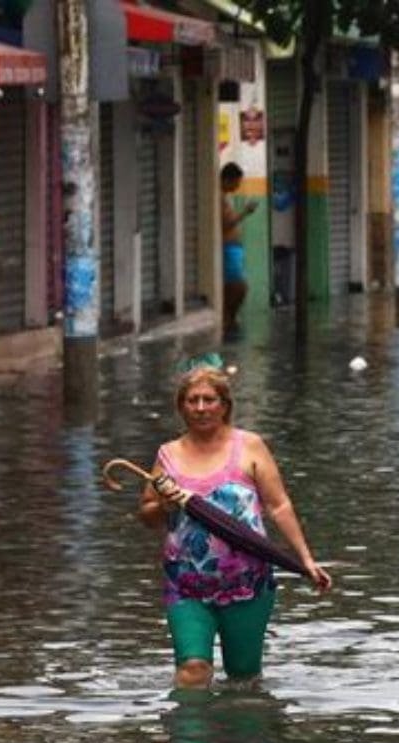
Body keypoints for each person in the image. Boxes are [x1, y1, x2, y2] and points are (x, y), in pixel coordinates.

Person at [138, 355, 332, 690]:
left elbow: (279, 505)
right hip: (186, 584)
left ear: (225, 405)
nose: (201, 408)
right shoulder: (167, 455)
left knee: (243, 677)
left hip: (247, 583)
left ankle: (239, 723)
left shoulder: (250, 447)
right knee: (193, 669)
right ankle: (188, 724)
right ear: (181, 407)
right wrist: (164, 505)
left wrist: (306, 559)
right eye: (192, 401)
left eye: (209, 400)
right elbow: (147, 513)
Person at [221, 163, 259, 332]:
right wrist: (245, 212)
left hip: (233, 249)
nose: (238, 186)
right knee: (238, 287)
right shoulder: (220, 198)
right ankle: (228, 318)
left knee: (235, 287)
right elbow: (226, 223)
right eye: (236, 182)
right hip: (228, 249)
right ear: (227, 180)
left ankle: (230, 318)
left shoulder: (225, 197)